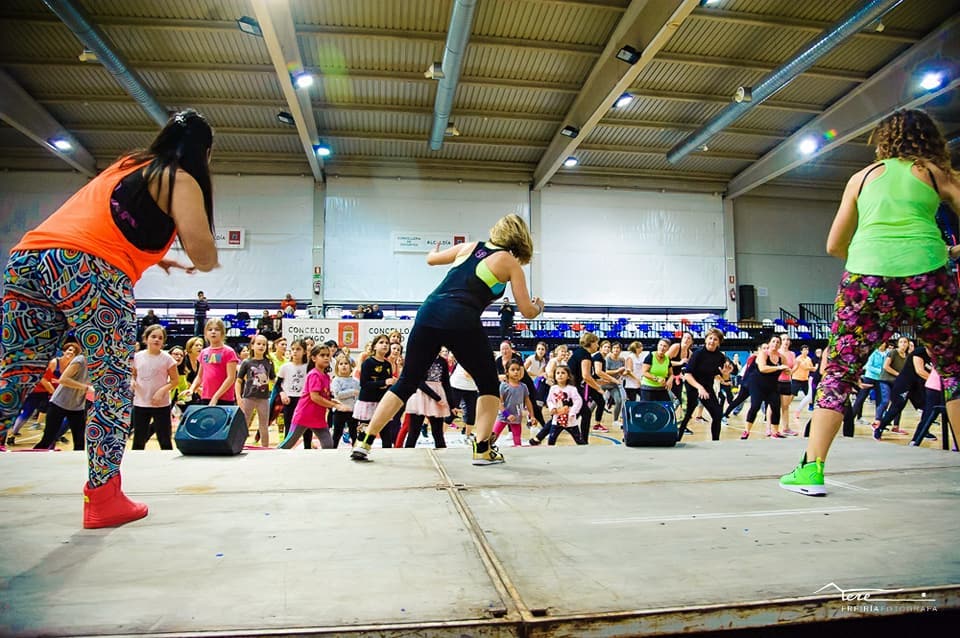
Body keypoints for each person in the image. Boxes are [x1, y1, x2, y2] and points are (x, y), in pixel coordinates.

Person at [0, 109, 217, 528]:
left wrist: (159, 259)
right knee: (113, 385)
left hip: (28, 259)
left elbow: (108, 220)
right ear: (203, 152)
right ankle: (103, 497)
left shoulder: (129, 164)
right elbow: (203, 254)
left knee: (15, 374)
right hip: (91, 270)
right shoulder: (180, 178)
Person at [780, 109, 960, 496]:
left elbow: (834, 245)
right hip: (928, 275)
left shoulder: (861, 178)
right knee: (953, 370)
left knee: (839, 372)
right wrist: (952, 251)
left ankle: (811, 470)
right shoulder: (934, 173)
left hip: (866, 278)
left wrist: (869, 263)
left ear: (884, 142)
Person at [351, 214, 542, 464]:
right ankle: (482, 449)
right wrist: (539, 306)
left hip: (428, 313)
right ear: (521, 238)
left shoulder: (469, 247)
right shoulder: (509, 262)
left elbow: (431, 259)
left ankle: (365, 441)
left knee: (407, 381)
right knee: (487, 384)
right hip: (461, 319)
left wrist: (433, 251)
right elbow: (527, 311)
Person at [278, 344, 342, 449]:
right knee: (288, 443)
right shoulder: (314, 375)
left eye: (327, 355)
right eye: (322, 355)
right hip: (304, 415)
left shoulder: (326, 376)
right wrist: (334, 405)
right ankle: (271, 457)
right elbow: (314, 397)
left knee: (328, 444)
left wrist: (333, 401)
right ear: (313, 358)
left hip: (317, 416)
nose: (326, 358)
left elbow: (323, 395)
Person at [131, 325, 179, 450]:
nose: (156, 340)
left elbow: (175, 380)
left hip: (161, 405)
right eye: (153, 336)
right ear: (146, 339)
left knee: (164, 439)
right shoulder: (137, 357)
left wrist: (162, 391)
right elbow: (133, 375)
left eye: (160, 338)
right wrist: (132, 381)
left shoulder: (168, 359)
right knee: (139, 439)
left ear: (163, 341)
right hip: (141, 403)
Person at [678, 329, 727, 441]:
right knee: (687, 415)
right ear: (706, 340)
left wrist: (725, 375)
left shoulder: (720, 357)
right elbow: (688, 375)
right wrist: (699, 387)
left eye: (715, 339)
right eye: (710, 338)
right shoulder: (698, 353)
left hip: (707, 388)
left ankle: (716, 441)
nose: (712, 341)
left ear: (719, 342)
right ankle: (677, 439)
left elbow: (720, 376)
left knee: (717, 414)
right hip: (692, 386)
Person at [236, 334, 276, 447]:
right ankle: (239, 445)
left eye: (264, 344)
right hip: (248, 397)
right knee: (244, 423)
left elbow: (273, 379)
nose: (261, 346)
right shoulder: (246, 362)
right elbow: (238, 381)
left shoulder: (269, 362)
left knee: (264, 425)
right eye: (258, 344)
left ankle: (265, 447)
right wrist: (238, 397)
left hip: (264, 398)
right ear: (252, 346)